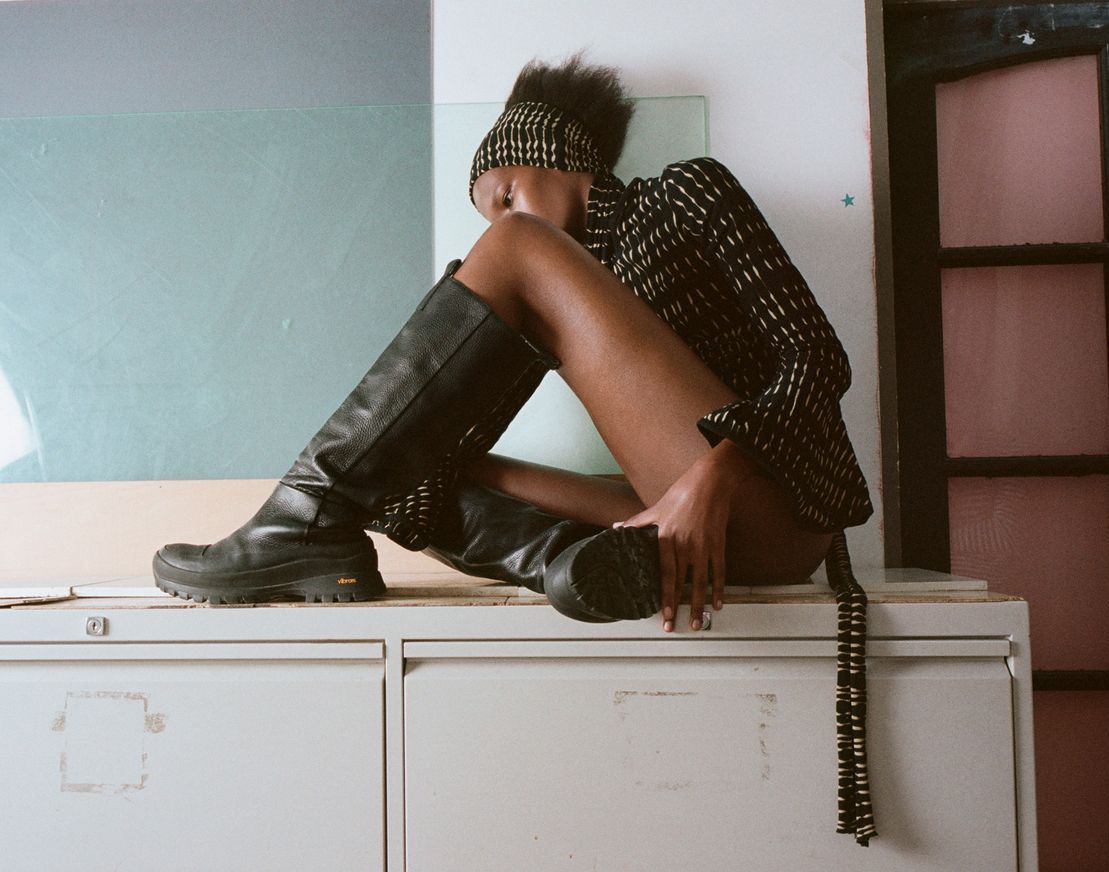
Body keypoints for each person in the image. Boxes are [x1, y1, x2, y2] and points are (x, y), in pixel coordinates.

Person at [151, 50, 877, 845]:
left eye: (502, 195)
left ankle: (304, 513)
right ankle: (569, 568)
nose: (500, 222)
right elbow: (449, 436)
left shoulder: (685, 191)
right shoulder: (572, 297)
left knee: (513, 257)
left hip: (767, 503)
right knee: (410, 483)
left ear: (556, 152)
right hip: (669, 522)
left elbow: (816, 357)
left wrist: (717, 473)